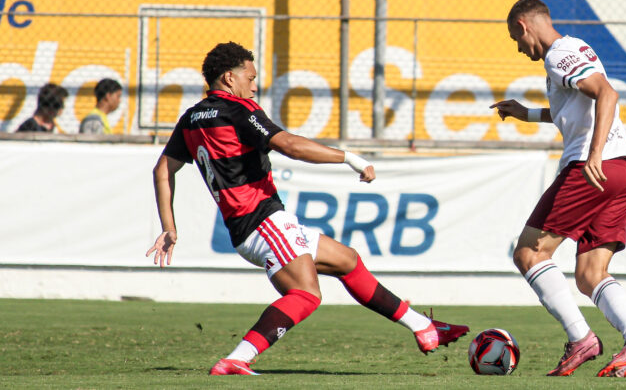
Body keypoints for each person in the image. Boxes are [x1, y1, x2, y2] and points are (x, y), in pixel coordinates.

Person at [145, 41, 468, 376]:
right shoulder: (239, 111)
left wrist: (169, 227)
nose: (255, 86)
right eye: (250, 77)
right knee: (306, 294)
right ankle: (237, 358)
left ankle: (423, 327)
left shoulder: (192, 118)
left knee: (347, 260)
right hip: (263, 221)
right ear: (229, 78)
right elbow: (291, 146)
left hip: (249, 225)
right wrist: (350, 157)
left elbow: (162, 171)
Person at [491, 0, 626, 378]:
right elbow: (571, 108)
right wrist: (526, 113)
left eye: (515, 38)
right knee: (589, 274)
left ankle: (581, 338)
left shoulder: (558, 53)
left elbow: (607, 94)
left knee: (530, 253)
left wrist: (595, 154)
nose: (517, 47)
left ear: (523, 26)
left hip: (593, 168)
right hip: (625, 171)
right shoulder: (570, 54)